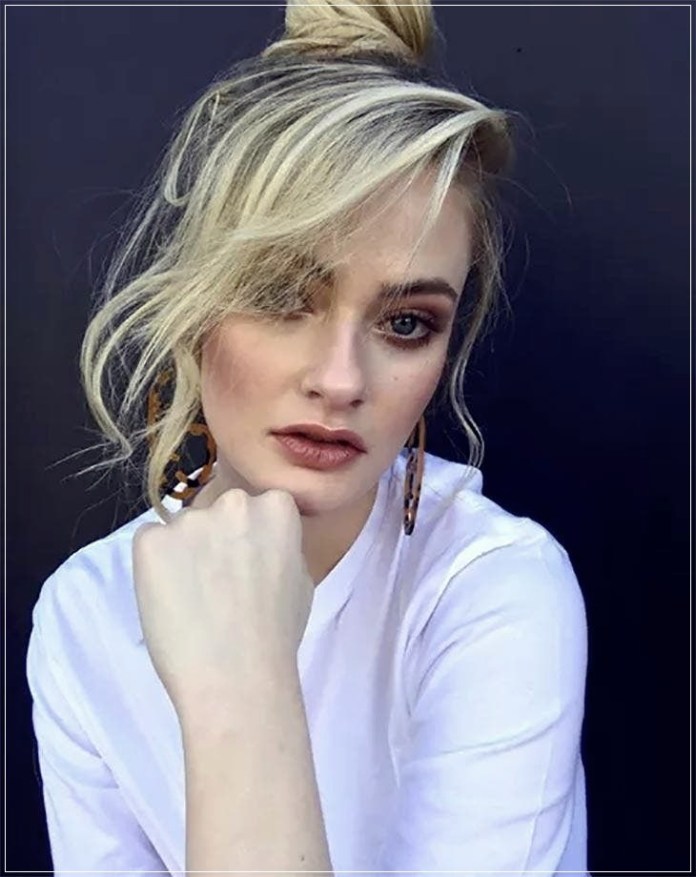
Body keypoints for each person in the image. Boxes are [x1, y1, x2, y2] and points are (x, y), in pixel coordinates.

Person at [26, 0, 589, 874]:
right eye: (284, 296)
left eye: (406, 322)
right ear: (196, 305)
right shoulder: (84, 615)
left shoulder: (491, 590)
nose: (340, 379)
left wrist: (244, 682)